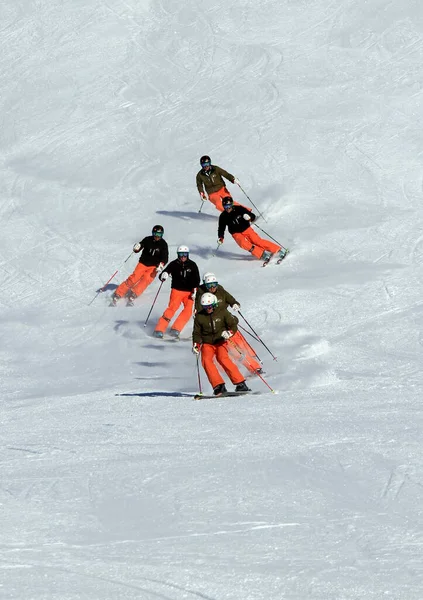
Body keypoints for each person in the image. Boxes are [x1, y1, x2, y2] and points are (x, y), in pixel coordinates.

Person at [195, 273, 262, 374]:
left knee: (239, 346)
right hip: (215, 329)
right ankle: (243, 370)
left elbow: (230, 299)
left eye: (214, 284)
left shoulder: (220, 291)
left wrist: (235, 304)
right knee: (231, 351)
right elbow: (199, 313)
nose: (212, 287)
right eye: (209, 285)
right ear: (205, 285)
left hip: (227, 322)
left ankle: (254, 366)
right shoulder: (202, 296)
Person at [193, 293, 251, 396]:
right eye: (205, 307)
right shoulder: (199, 317)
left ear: (214, 304)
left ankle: (240, 383)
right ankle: (218, 386)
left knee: (222, 358)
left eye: (210, 306)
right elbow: (197, 333)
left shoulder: (222, 312)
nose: (208, 309)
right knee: (206, 361)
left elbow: (233, 325)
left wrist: (229, 333)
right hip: (207, 342)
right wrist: (196, 344)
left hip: (220, 340)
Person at [111, 225, 168, 306]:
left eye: (159, 234)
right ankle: (118, 292)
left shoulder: (163, 244)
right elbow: (139, 247)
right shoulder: (147, 239)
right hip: (143, 263)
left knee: (146, 279)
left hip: (154, 267)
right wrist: (137, 247)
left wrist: (161, 264)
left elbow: (165, 257)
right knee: (134, 278)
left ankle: (134, 293)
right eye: (155, 234)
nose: (157, 236)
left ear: (162, 235)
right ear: (153, 233)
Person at [217, 196, 285, 264]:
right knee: (243, 243)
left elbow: (253, 216)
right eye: (225, 207)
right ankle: (262, 254)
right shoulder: (223, 216)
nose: (227, 208)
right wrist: (221, 237)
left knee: (257, 241)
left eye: (229, 206)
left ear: (232, 204)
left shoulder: (239, 209)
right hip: (235, 233)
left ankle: (278, 250)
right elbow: (221, 228)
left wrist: (249, 217)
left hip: (246, 229)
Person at [153, 245, 200, 339]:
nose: (183, 256)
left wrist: (195, 290)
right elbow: (164, 273)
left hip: (189, 292)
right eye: (181, 254)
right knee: (172, 309)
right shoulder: (174, 264)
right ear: (178, 254)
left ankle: (176, 329)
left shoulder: (192, 265)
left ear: (188, 254)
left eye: (185, 254)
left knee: (188, 311)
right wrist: (164, 275)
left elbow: (197, 279)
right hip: (177, 290)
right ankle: (159, 329)